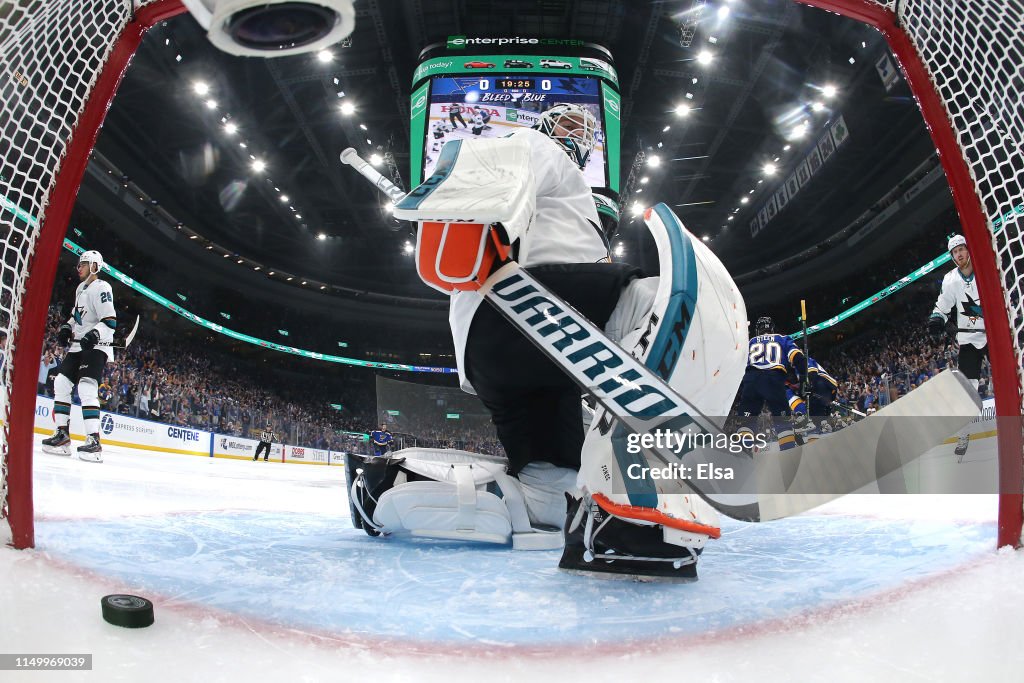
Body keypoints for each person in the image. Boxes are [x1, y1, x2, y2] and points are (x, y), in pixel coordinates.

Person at [441, 103, 745, 580]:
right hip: (522, 301)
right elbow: (513, 163)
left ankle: (400, 490)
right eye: (567, 122)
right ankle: (639, 465)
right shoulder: (541, 148)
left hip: (493, 356)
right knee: (650, 303)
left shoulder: (573, 213)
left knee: (549, 481)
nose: (577, 132)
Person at [41, 250, 116, 462]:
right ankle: (62, 435)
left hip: (97, 346)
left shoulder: (103, 287)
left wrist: (94, 334)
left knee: (86, 387)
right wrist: (67, 326)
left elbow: (110, 320)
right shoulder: (81, 288)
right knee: (62, 384)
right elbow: (77, 317)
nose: (78, 267)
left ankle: (94, 440)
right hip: (79, 346)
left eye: (82, 264)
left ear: (94, 266)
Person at [928, 233, 987, 458]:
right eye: (955, 252)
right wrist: (936, 320)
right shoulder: (951, 280)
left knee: (1010, 376)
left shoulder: (983, 268)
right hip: (970, 339)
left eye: (961, 249)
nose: (959, 254)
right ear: (952, 257)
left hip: (993, 334)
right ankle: (965, 434)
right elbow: (942, 306)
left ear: (968, 249)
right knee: (967, 389)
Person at [736, 316, 807, 451]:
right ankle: (788, 458)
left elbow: (738, 365)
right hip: (774, 378)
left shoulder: (750, 342)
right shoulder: (782, 338)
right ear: (772, 328)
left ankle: (742, 459)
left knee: (746, 423)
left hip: (752, 379)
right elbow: (798, 358)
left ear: (758, 330)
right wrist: (803, 380)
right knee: (783, 424)